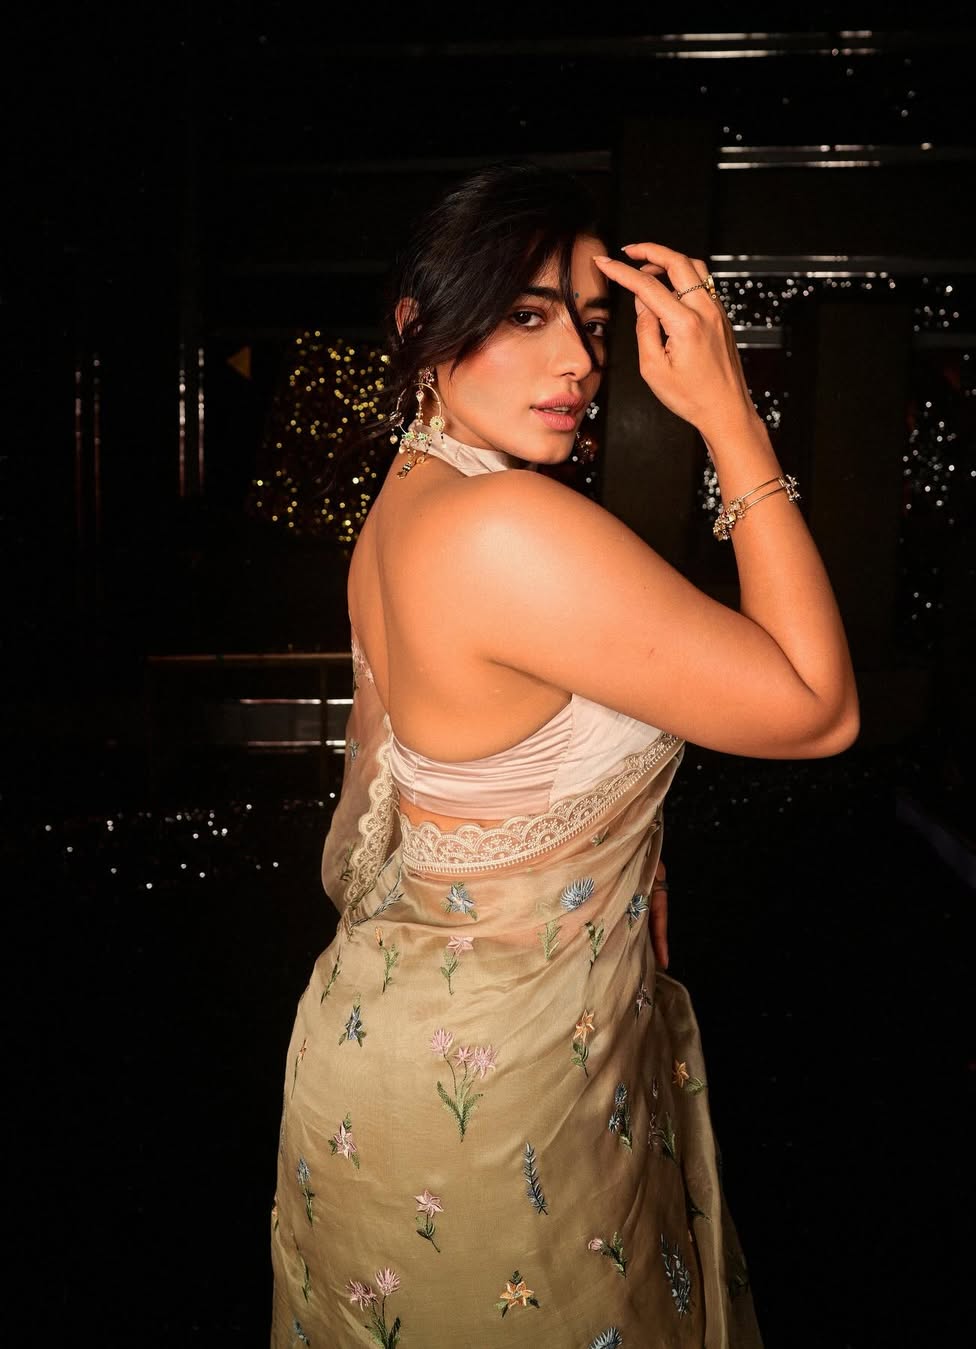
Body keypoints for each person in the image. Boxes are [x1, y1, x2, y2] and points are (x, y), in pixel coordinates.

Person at [269, 161, 859, 1347]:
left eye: (590, 323)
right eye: (528, 316)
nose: (580, 362)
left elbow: (465, 780)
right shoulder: (505, 525)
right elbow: (817, 709)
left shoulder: (411, 498)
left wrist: (612, 861)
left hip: (404, 1055)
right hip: (493, 1101)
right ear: (420, 326)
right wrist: (731, 419)